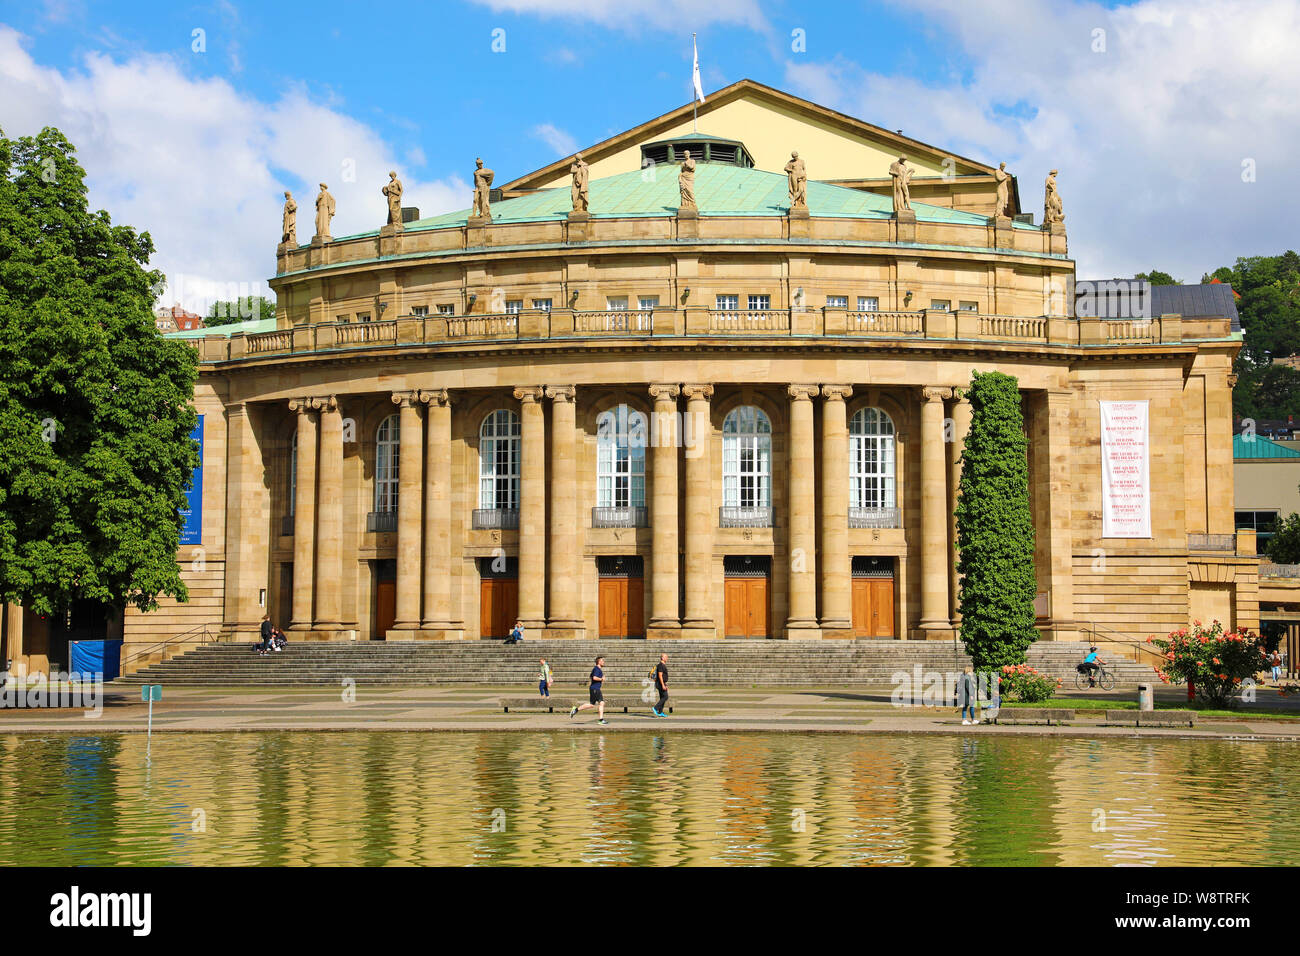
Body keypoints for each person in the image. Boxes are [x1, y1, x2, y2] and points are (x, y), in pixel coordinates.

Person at [571, 656, 607, 724]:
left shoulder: (597, 669)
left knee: (591, 704)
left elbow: (591, 676)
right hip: (595, 689)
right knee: (601, 703)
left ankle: (575, 710)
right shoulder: (596, 669)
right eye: (602, 661)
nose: (603, 662)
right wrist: (602, 679)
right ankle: (601, 720)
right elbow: (594, 678)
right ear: (599, 662)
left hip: (594, 688)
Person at [652, 653, 670, 717]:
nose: (667, 658)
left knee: (662, 697)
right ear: (662, 658)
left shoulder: (662, 665)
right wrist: (663, 685)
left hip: (662, 683)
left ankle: (660, 712)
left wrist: (665, 684)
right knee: (665, 697)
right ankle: (655, 708)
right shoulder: (660, 665)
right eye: (666, 657)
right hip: (660, 683)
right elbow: (660, 676)